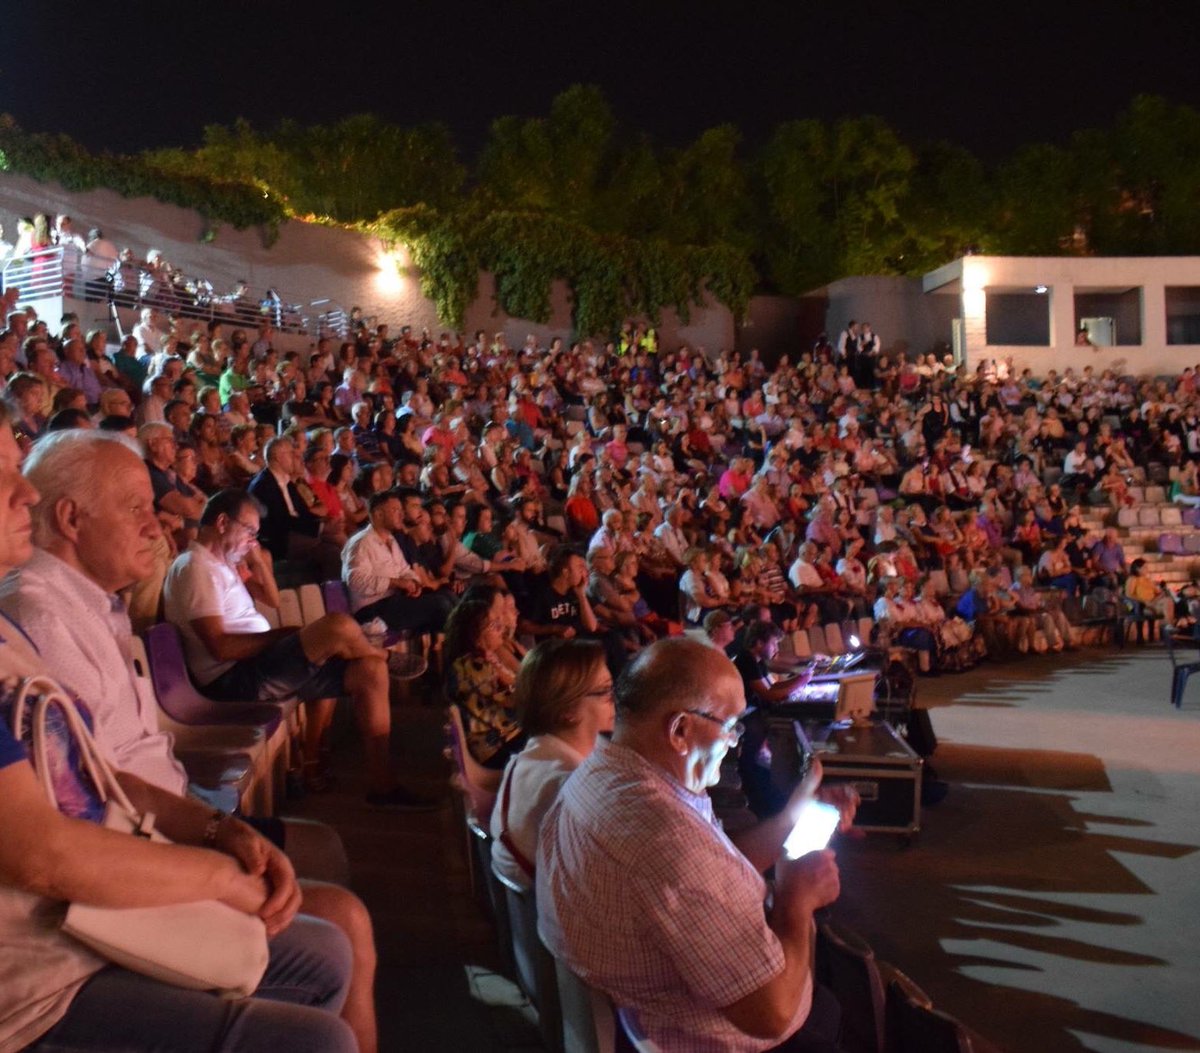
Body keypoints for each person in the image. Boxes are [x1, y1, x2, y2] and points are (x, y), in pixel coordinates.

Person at [0, 405, 359, 1053]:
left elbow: (96, 779)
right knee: (316, 1029)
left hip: (94, 907)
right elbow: (50, 852)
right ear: (71, 519)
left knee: (327, 950)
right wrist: (214, 872)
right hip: (46, 973)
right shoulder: (35, 617)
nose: (23, 488)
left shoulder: (44, 622)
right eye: (2, 471)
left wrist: (217, 829)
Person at [538, 638, 856, 1053]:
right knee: (844, 1005)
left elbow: (714, 863)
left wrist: (793, 814)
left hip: (654, 1009)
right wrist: (796, 901)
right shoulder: (666, 840)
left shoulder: (602, 775)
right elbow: (771, 1014)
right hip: (719, 1037)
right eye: (731, 724)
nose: (735, 740)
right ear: (680, 729)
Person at [163, 487, 435, 810]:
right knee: (338, 626)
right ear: (222, 522)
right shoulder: (194, 568)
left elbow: (271, 598)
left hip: (260, 665)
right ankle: (385, 654)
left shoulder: (225, 564)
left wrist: (258, 562)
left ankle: (383, 784)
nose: (253, 541)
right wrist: (284, 636)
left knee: (368, 671)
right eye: (249, 531)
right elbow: (221, 648)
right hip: (234, 679)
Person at [489, 638, 613, 889]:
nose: (615, 698)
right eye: (605, 691)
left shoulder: (535, 752)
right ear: (567, 710)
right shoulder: (571, 786)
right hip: (547, 917)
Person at [341, 490, 454, 633]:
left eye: (401, 510)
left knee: (448, 596)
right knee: (440, 605)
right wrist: (396, 582)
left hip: (393, 603)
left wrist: (414, 583)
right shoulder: (361, 542)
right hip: (371, 610)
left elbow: (404, 570)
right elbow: (355, 580)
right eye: (395, 510)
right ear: (378, 514)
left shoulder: (392, 540)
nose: (401, 514)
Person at [443, 595, 525, 769]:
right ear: (475, 635)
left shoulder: (486, 658)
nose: (501, 628)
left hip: (505, 735)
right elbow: (513, 701)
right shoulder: (471, 666)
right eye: (494, 625)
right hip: (494, 747)